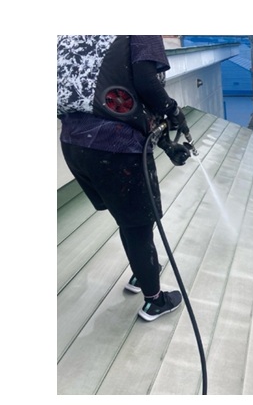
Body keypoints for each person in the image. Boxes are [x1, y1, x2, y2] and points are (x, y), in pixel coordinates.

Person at [57, 35, 191, 322]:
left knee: (129, 218)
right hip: (115, 148)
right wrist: (174, 111)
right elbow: (146, 83)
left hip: (74, 143)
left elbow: (123, 95)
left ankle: (142, 273)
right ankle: (154, 300)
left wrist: (167, 145)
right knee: (138, 223)